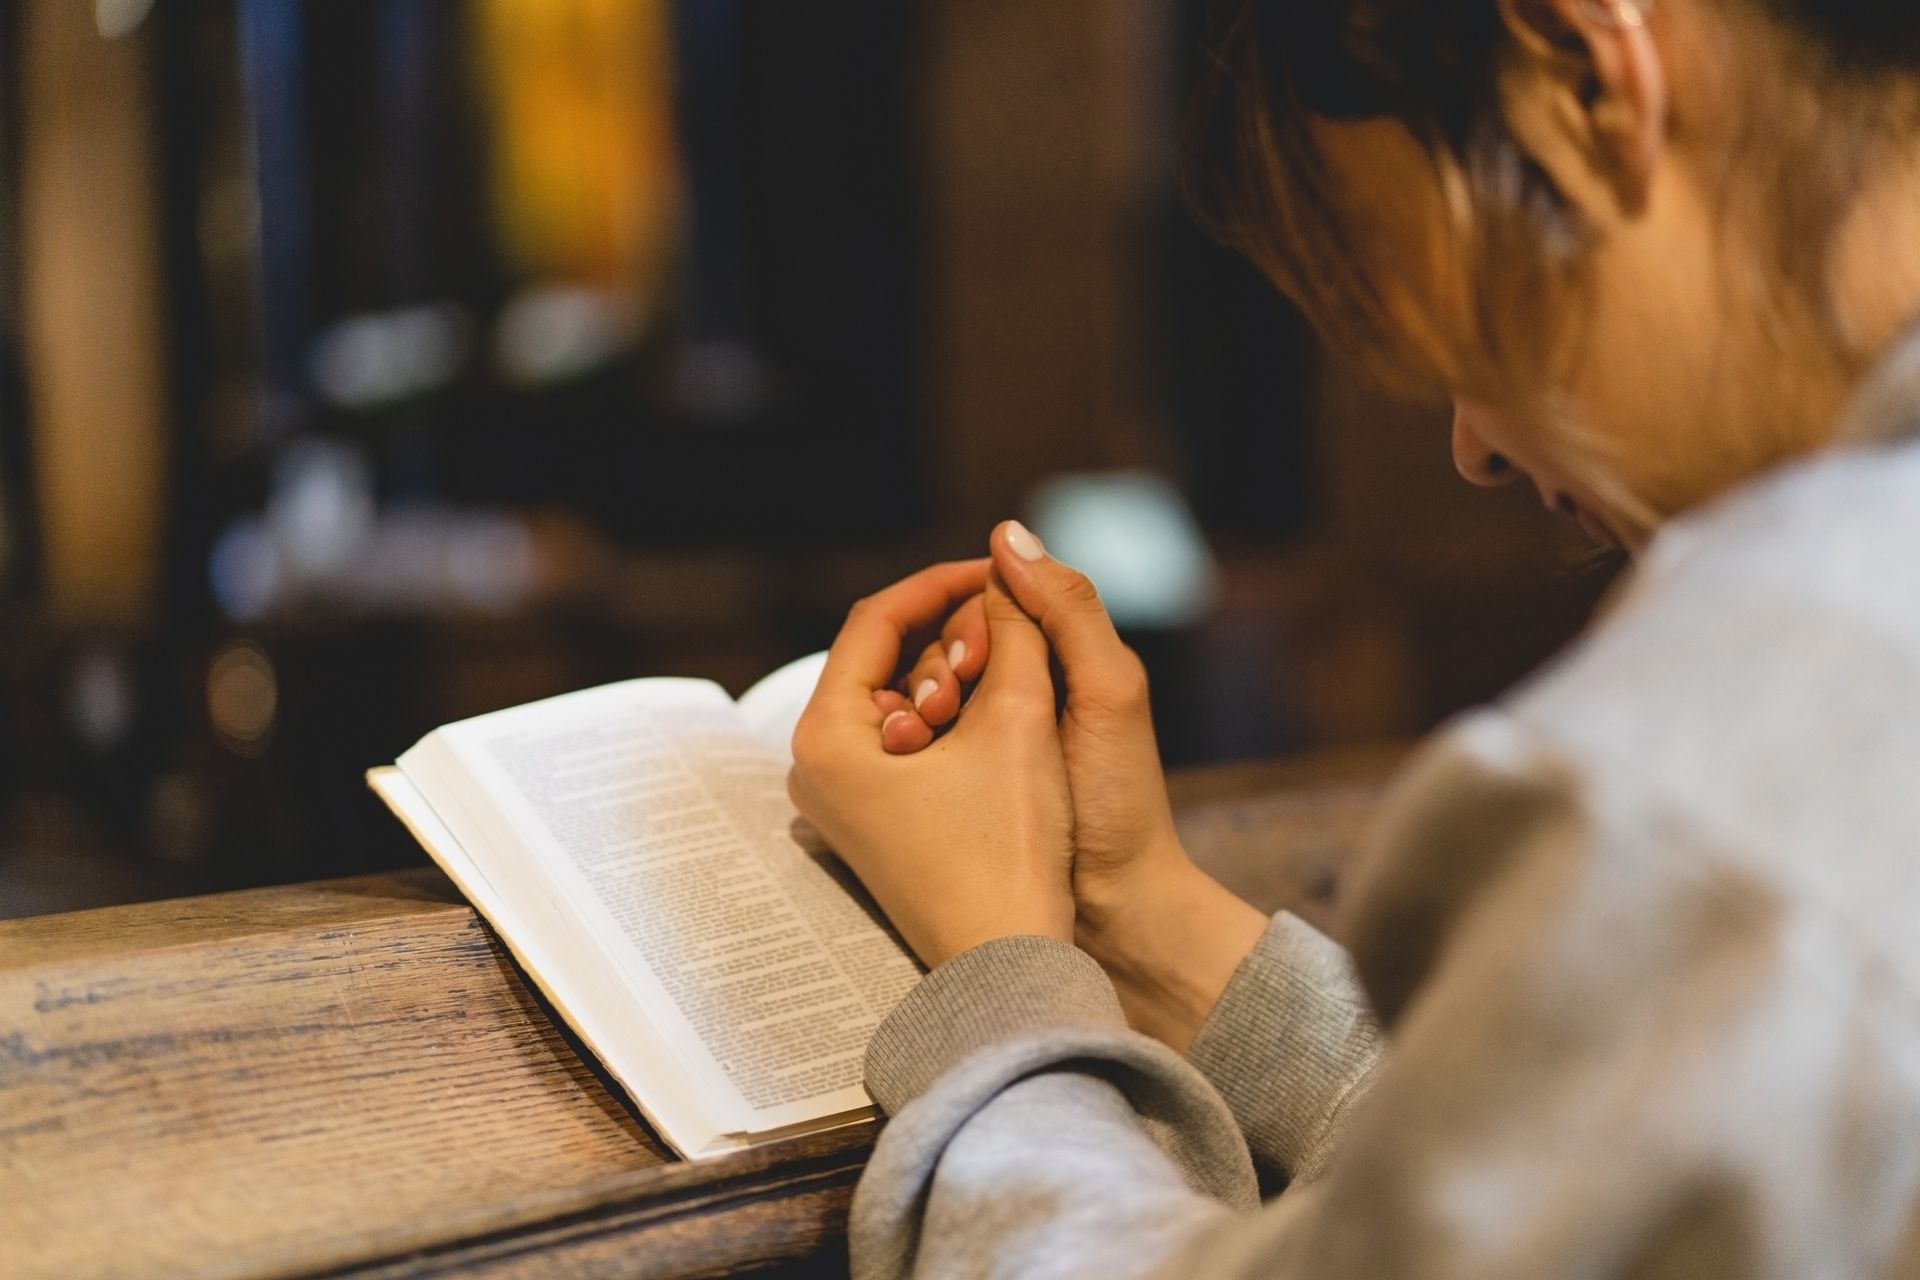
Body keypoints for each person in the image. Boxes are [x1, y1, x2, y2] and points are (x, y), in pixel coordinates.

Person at [786, 0, 1920, 1274]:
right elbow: (1583, 1194)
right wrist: (1138, 911)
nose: (1475, 442)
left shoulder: (1733, 757)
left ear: (1585, 76)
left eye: (1462, 323)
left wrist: (999, 971)